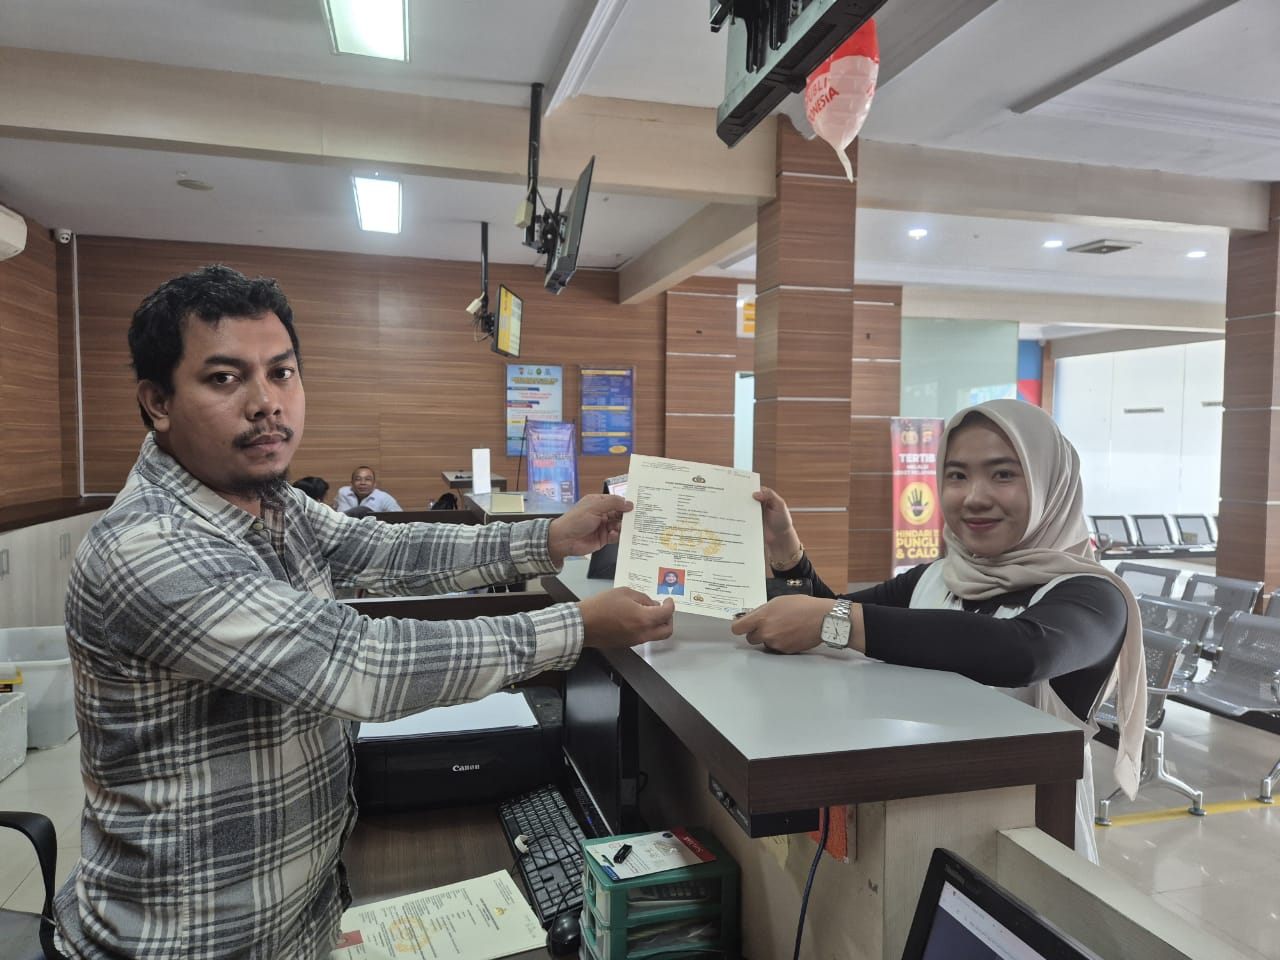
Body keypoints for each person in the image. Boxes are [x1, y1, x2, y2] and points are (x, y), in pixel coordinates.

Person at [55, 264, 676, 960]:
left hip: (296, 921)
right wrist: (577, 627)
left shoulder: (271, 502)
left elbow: (388, 549)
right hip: (189, 941)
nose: (266, 403)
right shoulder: (151, 548)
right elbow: (362, 665)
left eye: (282, 373)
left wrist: (549, 536)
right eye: (225, 378)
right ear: (157, 401)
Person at [730, 398, 1145, 864]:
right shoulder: (937, 578)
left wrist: (835, 621)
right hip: (911, 826)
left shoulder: (1093, 596)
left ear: (1051, 483)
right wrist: (787, 553)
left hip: (1024, 842)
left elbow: (1023, 653)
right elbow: (833, 620)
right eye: (957, 475)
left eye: (1003, 474)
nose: (974, 497)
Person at [334, 465, 401, 513]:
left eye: (368, 479)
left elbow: (399, 517)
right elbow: (334, 510)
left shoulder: (384, 497)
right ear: (351, 483)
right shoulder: (343, 493)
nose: (363, 483)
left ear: (374, 484)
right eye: (358, 479)